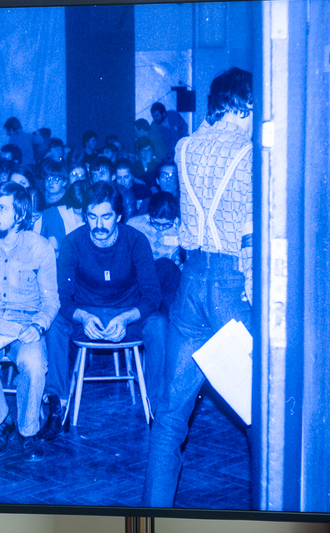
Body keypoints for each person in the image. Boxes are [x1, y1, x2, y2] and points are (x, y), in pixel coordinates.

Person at [143, 67, 253, 508]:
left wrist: (222, 109)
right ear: (246, 105)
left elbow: (212, 126)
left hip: (191, 283)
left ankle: (153, 512)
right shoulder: (251, 153)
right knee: (256, 407)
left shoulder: (186, 148)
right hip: (232, 282)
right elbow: (249, 234)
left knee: (170, 414)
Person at [54, 182, 167, 428]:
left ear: (118, 216)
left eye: (106, 217)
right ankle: (58, 402)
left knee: (158, 323)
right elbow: (61, 297)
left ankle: (158, 406)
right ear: (85, 216)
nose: (99, 225)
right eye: (92, 217)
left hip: (127, 314)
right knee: (55, 323)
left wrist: (127, 317)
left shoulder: (136, 240)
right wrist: (82, 316)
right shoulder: (72, 242)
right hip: (87, 314)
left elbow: (152, 295)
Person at [0, 182, 58, 462]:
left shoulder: (40, 248)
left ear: (20, 215)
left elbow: (51, 299)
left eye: (1, 207)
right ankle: (1, 421)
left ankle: (28, 431)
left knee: (32, 363)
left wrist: (38, 325)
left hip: (26, 324)